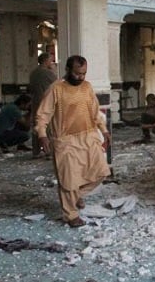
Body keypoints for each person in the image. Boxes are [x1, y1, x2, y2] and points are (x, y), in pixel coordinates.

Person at [35, 55, 111, 228]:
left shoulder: (87, 87)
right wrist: (42, 134)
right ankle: (71, 215)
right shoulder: (56, 88)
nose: (81, 77)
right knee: (68, 180)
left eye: (83, 73)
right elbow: (43, 114)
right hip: (65, 139)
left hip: (88, 136)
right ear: (68, 70)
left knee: (101, 172)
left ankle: (76, 195)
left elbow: (95, 111)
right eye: (77, 74)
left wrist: (104, 130)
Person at [29, 52, 57, 157]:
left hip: (36, 102)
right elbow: (58, 84)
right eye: (51, 60)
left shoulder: (33, 73)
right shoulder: (48, 73)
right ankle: (48, 151)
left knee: (37, 125)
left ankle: (35, 151)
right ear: (46, 61)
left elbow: (31, 88)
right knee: (48, 126)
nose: (52, 62)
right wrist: (54, 71)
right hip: (46, 102)